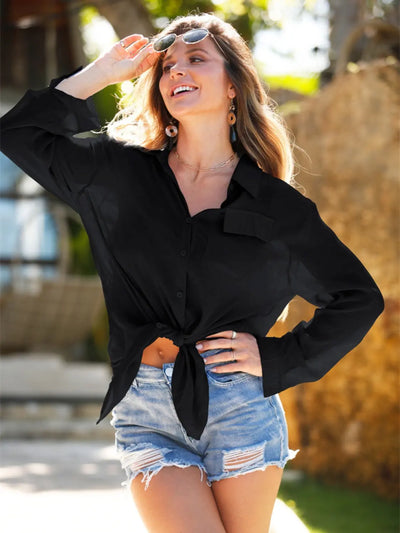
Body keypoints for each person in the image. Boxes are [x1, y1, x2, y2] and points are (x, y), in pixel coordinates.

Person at [0, 12, 384, 533]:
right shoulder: (117, 173)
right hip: (146, 411)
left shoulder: (277, 207)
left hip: (240, 410)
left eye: (197, 59)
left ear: (233, 87)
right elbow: (18, 133)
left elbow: (357, 297)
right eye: (168, 66)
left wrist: (278, 357)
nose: (177, 70)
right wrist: (102, 72)